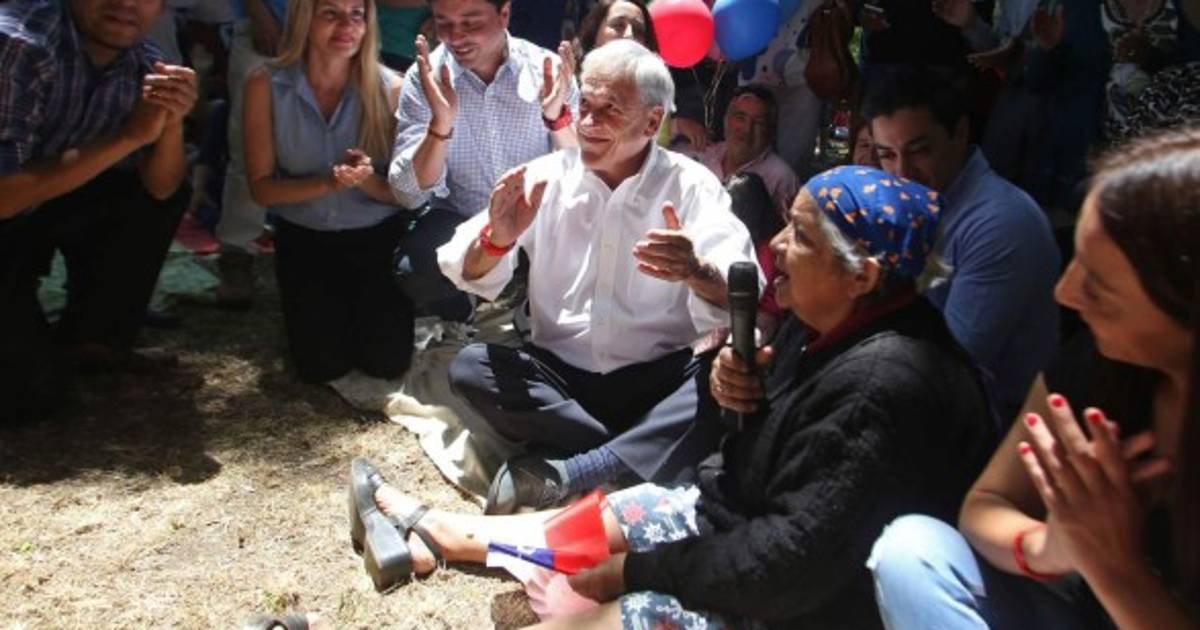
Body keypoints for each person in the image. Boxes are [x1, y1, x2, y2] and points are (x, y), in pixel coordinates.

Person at [351, 164, 995, 626]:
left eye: (800, 236)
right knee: (630, 510)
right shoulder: (831, 325)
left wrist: (636, 574)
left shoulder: (884, 383)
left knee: (594, 616)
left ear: (863, 275)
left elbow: (788, 564)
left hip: (804, 604)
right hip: (742, 523)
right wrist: (746, 400)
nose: (775, 246)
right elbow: (773, 464)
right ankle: (448, 533)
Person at [869, 126, 1200, 630]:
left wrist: (1117, 569)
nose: (1065, 293)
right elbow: (987, 506)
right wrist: (1055, 545)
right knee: (913, 549)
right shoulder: (1098, 363)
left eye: (1099, 284)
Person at [437, 40, 757, 515]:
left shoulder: (691, 185)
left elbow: (741, 290)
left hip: (657, 377)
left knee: (723, 377)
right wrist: (497, 241)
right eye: (585, 105)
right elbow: (461, 266)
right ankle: (635, 454)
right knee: (471, 367)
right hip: (558, 377)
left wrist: (695, 270)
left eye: (609, 110)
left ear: (651, 121)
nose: (588, 123)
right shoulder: (545, 176)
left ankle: (574, 471)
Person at [0, 0, 197, 424]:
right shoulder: (17, 44)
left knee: (153, 192)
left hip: (44, 207)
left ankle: (93, 338)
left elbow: (161, 189)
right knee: (28, 396)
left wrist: (172, 121)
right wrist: (130, 136)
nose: (126, 3)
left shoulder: (146, 62)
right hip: (9, 210)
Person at [863, 67, 1060, 425]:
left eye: (919, 151)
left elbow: (949, 367)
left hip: (994, 429)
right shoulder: (908, 206)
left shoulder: (1001, 222)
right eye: (887, 155)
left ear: (961, 133)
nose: (902, 173)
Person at [241, 0, 413, 383]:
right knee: (320, 368)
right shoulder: (265, 85)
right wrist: (327, 183)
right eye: (331, 14)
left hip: (377, 239)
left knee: (387, 364)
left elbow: (406, 196)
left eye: (357, 14)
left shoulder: (392, 88)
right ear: (304, 19)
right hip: (304, 239)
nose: (347, 25)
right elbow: (262, 191)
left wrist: (365, 180)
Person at [387, 0, 577, 323]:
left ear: (504, 15)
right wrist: (440, 128)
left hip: (537, 219)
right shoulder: (425, 78)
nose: (455, 37)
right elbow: (407, 194)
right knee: (414, 267)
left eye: (470, 23)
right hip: (462, 218)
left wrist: (557, 119)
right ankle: (465, 315)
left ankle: (527, 304)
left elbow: (582, 170)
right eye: (443, 23)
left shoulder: (546, 69)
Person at [214, 0, 289, 308]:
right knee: (248, 148)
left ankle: (310, 251)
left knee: (326, 143)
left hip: (334, 22)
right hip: (265, 25)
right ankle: (237, 253)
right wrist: (259, 14)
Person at [689, 85, 800, 217]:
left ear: (770, 131)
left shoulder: (782, 178)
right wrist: (677, 125)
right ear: (726, 120)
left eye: (758, 122)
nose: (747, 129)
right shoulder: (704, 154)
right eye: (740, 118)